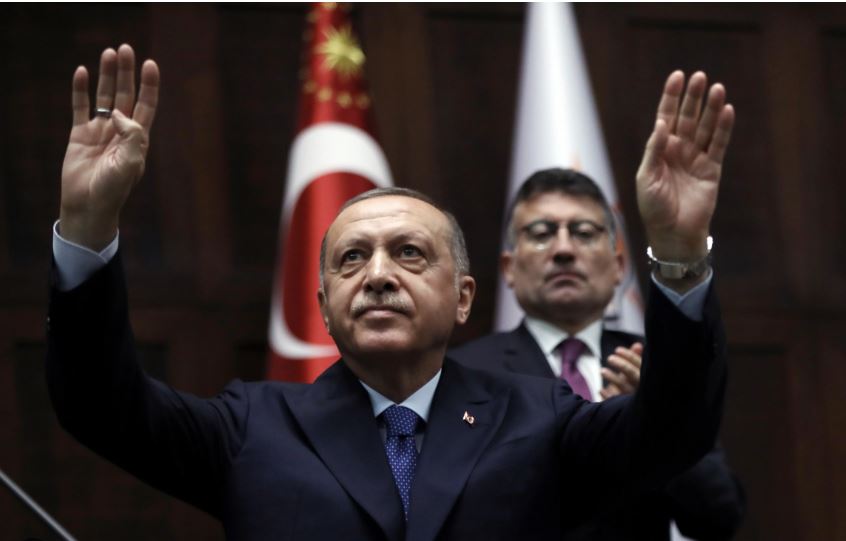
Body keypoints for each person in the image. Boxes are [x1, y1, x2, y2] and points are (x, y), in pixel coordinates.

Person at [47, 44, 735, 540]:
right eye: (352, 258)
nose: (378, 274)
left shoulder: (541, 416)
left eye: (409, 253)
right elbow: (99, 405)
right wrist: (86, 229)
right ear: (324, 306)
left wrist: (678, 252)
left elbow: (673, 431)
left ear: (464, 297)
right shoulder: (251, 426)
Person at [451, 168, 745, 540]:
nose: (563, 250)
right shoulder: (466, 372)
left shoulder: (658, 365)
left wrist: (655, 417)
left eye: (584, 233)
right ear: (509, 269)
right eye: (541, 234)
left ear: (619, 267)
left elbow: (718, 514)